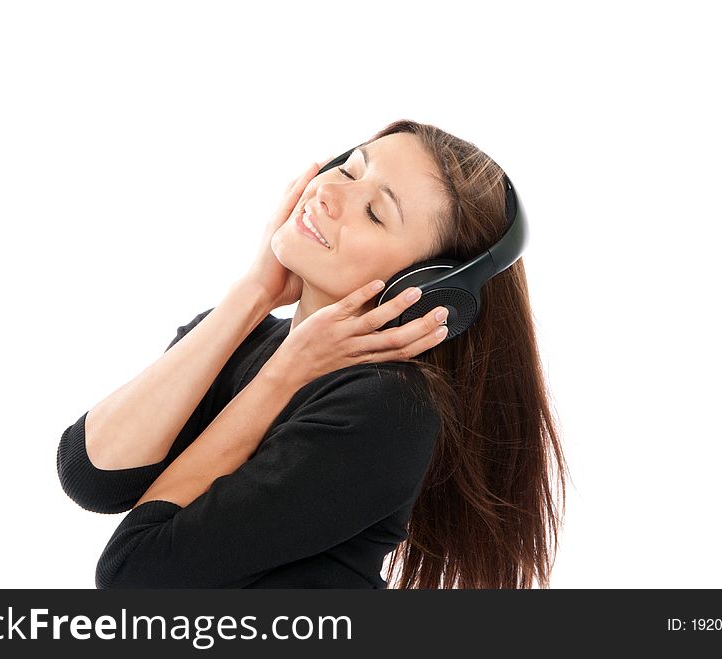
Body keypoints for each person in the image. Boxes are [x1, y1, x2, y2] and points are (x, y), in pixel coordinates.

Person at [57, 119, 569, 589]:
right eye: (349, 168)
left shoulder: (388, 408)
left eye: (374, 212)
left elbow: (133, 577)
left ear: (427, 288)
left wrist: (284, 375)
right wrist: (254, 292)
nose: (328, 193)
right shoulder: (243, 336)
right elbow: (93, 474)